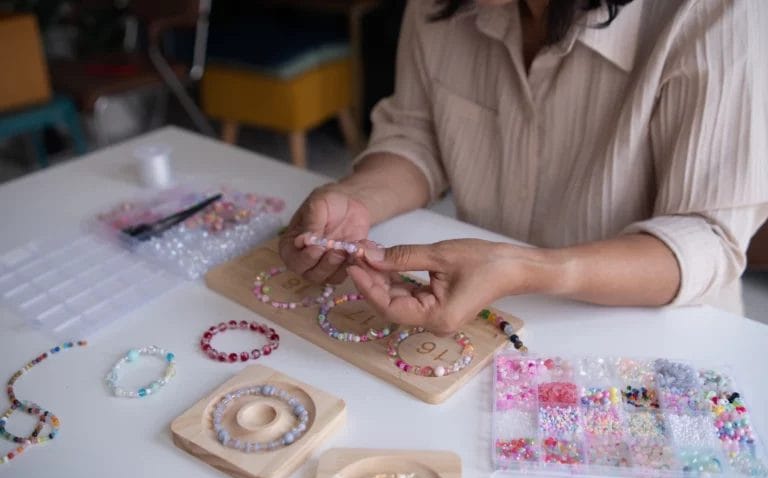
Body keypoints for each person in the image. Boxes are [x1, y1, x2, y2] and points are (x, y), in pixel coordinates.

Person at [279, 0, 768, 335]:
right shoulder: (439, 7)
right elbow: (417, 134)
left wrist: (529, 269)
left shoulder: (717, 14)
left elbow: (706, 238)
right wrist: (357, 198)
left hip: (658, 334)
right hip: (488, 318)